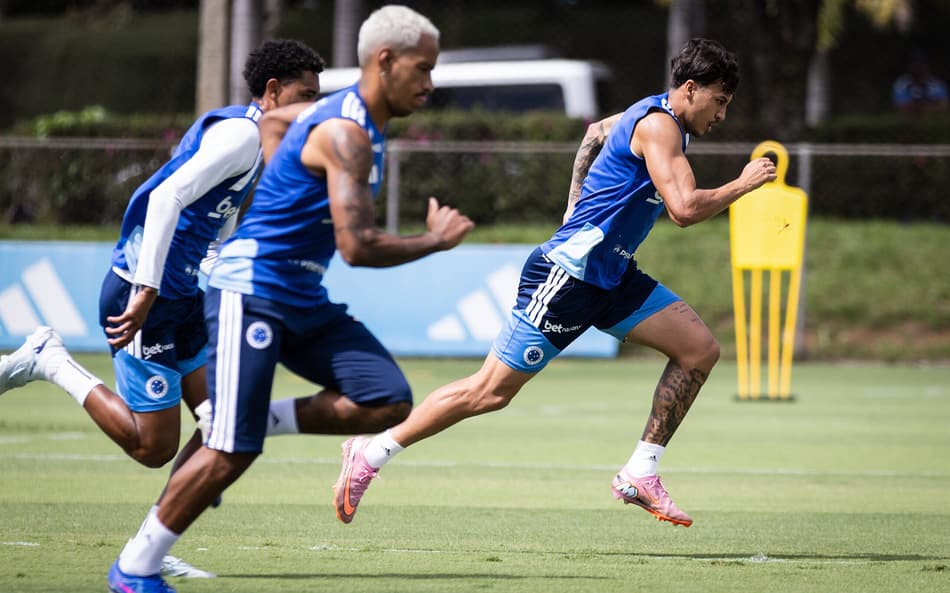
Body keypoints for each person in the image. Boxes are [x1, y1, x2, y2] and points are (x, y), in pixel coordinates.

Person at [333, 37, 777, 528]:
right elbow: (685, 210)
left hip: (611, 275)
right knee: (489, 392)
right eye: (719, 102)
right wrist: (743, 184)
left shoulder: (656, 116)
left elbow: (592, 134)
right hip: (567, 278)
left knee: (699, 350)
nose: (722, 115)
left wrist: (572, 203)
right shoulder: (658, 126)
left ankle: (641, 471)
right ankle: (371, 453)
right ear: (690, 89)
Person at [104, 5, 473, 592]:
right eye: (423, 69)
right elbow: (356, 246)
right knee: (231, 454)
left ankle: (245, 420)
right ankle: (134, 569)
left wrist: (285, 166)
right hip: (249, 291)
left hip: (299, 294)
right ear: (386, 61)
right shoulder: (347, 133)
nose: (430, 84)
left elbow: (274, 126)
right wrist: (435, 240)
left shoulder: (335, 116)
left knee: (387, 401)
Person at [0, 39, 323, 578]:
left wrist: (216, 273)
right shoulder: (242, 134)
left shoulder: (259, 141)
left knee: (222, 421)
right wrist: (147, 289)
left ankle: (150, 545)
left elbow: (217, 219)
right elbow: (166, 197)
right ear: (271, 92)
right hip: (141, 295)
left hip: (182, 296)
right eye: (304, 96)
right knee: (153, 448)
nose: (312, 108)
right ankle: (48, 360)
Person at [892, 49, 948, 115]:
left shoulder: (937, 84)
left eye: (921, 63)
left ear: (926, 65)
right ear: (909, 66)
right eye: (914, 63)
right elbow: (901, 108)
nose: (918, 66)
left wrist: (918, 108)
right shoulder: (901, 84)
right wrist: (932, 105)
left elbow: (944, 107)